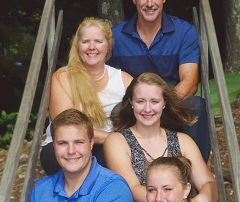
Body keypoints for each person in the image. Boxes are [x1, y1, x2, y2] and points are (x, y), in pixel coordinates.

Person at [107, 0, 211, 162]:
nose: (149, 3)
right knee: (115, 110)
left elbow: (190, 83)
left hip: (172, 107)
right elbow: (105, 77)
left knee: (196, 105)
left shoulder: (184, 32)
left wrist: (159, 105)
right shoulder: (116, 36)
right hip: (134, 110)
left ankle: (195, 174)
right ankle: (126, 175)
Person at [103, 73, 218, 202]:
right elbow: (132, 188)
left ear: (164, 103)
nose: (147, 109)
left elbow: (208, 182)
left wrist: (203, 198)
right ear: (131, 102)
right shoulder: (117, 141)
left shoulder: (183, 141)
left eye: (154, 101)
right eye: (140, 101)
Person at [40, 17, 133, 175]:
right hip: (68, 146)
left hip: (106, 146)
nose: (91, 47)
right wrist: (114, 140)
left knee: (113, 159)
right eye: (85, 42)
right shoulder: (63, 77)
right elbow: (66, 127)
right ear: (77, 46)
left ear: (108, 46)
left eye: (98, 41)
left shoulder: (123, 79)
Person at [31, 109, 134, 201]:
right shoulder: (41, 190)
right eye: (62, 143)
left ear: (91, 143)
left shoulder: (113, 188)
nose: (71, 151)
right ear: (53, 146)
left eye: (79, 142)